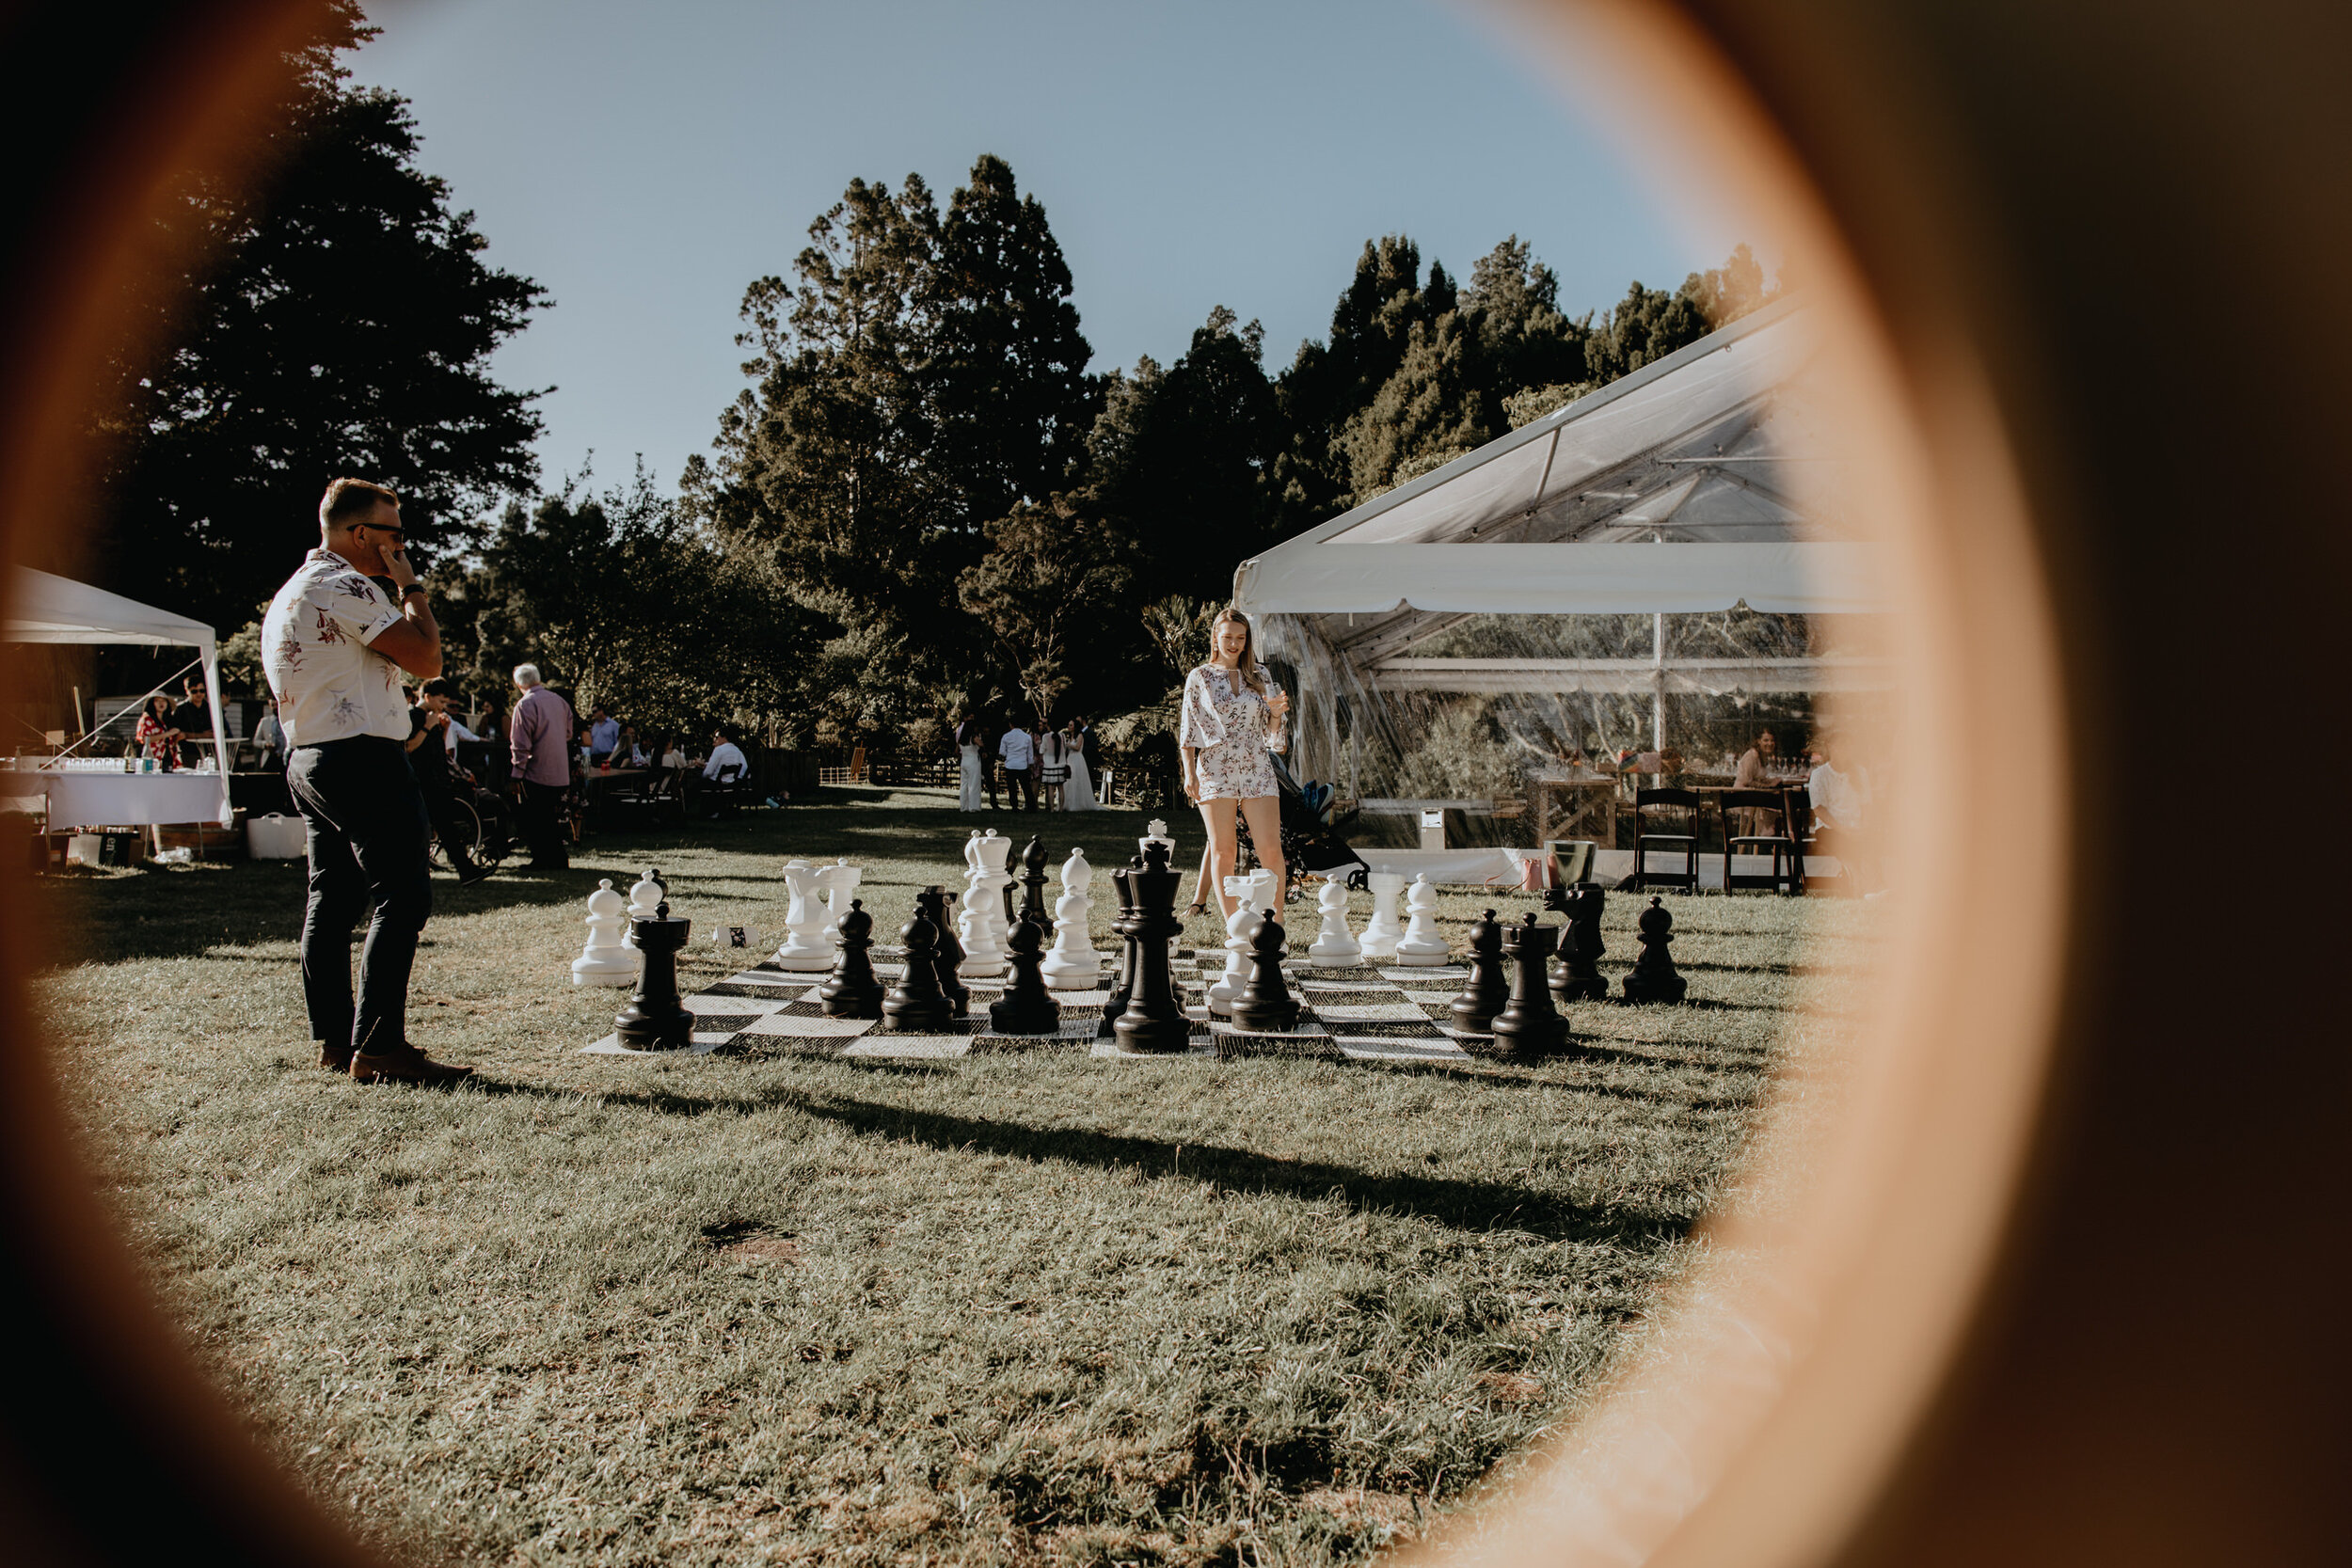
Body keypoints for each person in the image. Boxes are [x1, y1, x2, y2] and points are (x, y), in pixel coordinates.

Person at [262, 476, 471, 1084]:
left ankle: (334, 1038)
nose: (401, 545)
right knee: (403, 892)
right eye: (394, 535)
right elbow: (428, 658)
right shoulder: (347, 585)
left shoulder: (290, 592)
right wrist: (410, 583)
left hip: (307, 758)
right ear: (362, 535)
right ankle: (380, 1048)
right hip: (362, 759)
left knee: (332, 897)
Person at [1180, 607, 1292, 918]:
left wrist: (1276, 714)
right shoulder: (1199, 676)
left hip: (1257, 766)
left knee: (1271, 849)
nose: (1233, 644)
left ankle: (1276, 921)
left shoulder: (1260, 675)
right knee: (1223, 850)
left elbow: (1272, 736)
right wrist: (1190, 773)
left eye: (1240, 638)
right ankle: (1235, 926)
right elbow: (1189, 729)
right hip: (1216, 769)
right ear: (1216, 636)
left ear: (1247, 640)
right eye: (1227, 636)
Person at [406, 677, 491, 885]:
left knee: (445, 828)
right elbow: (409, 747)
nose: (443, 707)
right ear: (427, 696)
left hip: (438, 780)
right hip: (423, 782)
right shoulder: (415, 716)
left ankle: (466, 870)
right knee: (440, 829)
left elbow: (436, 749)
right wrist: (428, 726)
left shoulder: (433, 717)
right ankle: (465, 870)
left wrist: (442, 730)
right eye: (441, 702)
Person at [507, 662, 573, 871]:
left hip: (537, 771)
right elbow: (569, 734)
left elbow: (520, 744)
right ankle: (558, 858)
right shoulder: (559, 702)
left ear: (519, 683)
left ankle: (542, 859)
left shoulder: (525, 705)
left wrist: (516, 774)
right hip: (559, 770)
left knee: (535, 819)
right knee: (551, 818)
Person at [1806, 733, 1881, 895]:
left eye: (1848, 746)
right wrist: (1843, 829)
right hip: (1831, 828)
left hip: (1857, 827)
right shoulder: (1820, 775)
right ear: (1830, 748)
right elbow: (1819, 809)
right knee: (1844, 843)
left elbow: (1867, 805)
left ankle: (1872, 884)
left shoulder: (1860, 773)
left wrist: (1864, 827)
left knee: (1872, 842)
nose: (1844, 750)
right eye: (1840, 746)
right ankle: (1853, 876)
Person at [998, 718, 1039, 811]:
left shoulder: (1006, 736)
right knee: (1026, 787)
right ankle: (1031, 806)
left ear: (1010, 725)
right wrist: (1030, 763)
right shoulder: (1027, 737)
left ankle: (1014, 806)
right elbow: (1030, 753)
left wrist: (1008, 755)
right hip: (1022, 765)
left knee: (1012, 787)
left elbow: (1002, 752)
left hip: (1010, 764)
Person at [133, 693, 182, 769]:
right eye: (157, 701)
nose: (161, 703)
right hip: (151, 760)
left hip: (167, 759)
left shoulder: (167, 720)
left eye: (163, 701)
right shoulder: (147, 719)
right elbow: (145, 739)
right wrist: (168, 734)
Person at [1058, 717, 1097, 813]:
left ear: (1075, 727)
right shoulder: (1069, 737)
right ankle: (1066, 803)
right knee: (1068, 781)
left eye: (1071, 725)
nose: (1069, 727)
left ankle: (1077, 803)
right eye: (1069, 725)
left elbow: (1077, 747)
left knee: (1076, 780)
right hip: (1070, 759)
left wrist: (1068, 745)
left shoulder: (1080, 735)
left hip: (1077, 759)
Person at [953, 714, 985, 812]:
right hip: (973, 760)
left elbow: (956, 751)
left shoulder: (961, 739)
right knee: (974, 784)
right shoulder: (973, 737)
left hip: (964, 760)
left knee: (964, 785)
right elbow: (981, 744)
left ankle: (963, 806)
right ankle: (974, 807)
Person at [1039, 721, 1069, 810]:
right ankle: (1061, 809)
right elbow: (1065, 748)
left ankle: (1051, 809)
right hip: (1061, 764)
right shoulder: (1062, 736)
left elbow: (1041, 751)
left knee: (1051, 788)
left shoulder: (1046, 737)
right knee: (1061, 788)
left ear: (1049, 726)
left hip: (1049, 765)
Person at [251, 698, 285, 771]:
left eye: (277, 704)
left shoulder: (287, 721)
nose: (275, 707)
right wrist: (265, 745)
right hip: (270, 758)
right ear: (270, 706)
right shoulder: (265, 721)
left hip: (284, 758)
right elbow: (255, 741)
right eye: (273, 705)